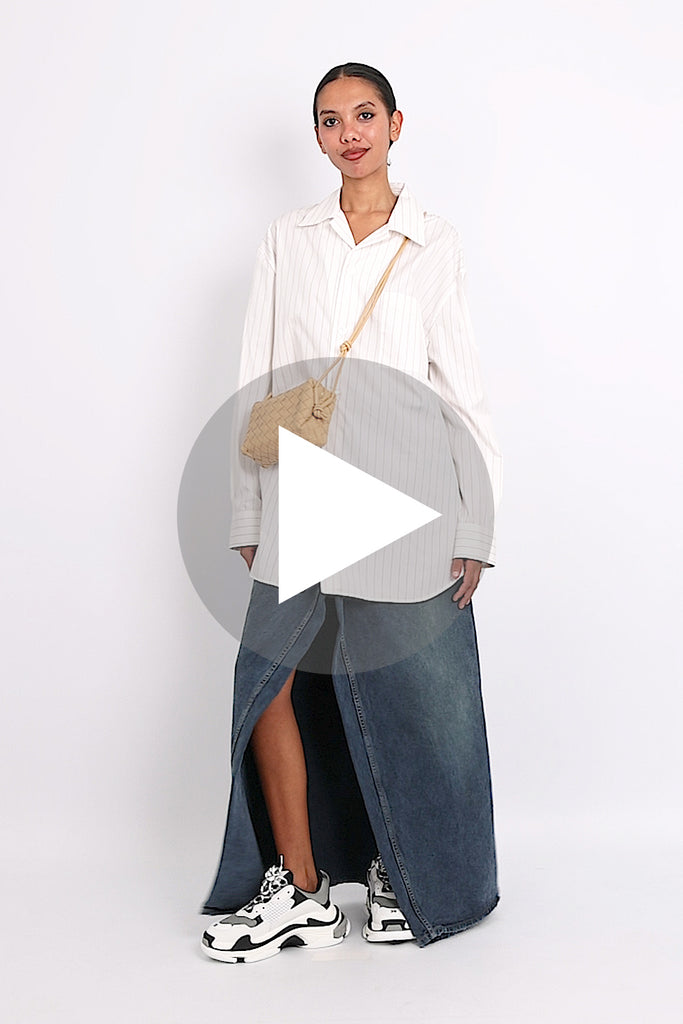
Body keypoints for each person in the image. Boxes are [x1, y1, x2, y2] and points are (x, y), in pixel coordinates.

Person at [200, 62, 503, 964]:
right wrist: (247, 506)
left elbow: (461, 394)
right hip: (304, 491)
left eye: (364, 115)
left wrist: (476, 524)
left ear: (395, 124)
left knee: (411, 694)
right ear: (318, 137)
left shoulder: (433, 241)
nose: (349, 134)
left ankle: (408, 876)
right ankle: (297, 887)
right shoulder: (288, 238)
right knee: (268, 683)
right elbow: (258, 376)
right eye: (331, 120)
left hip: (410, 498)